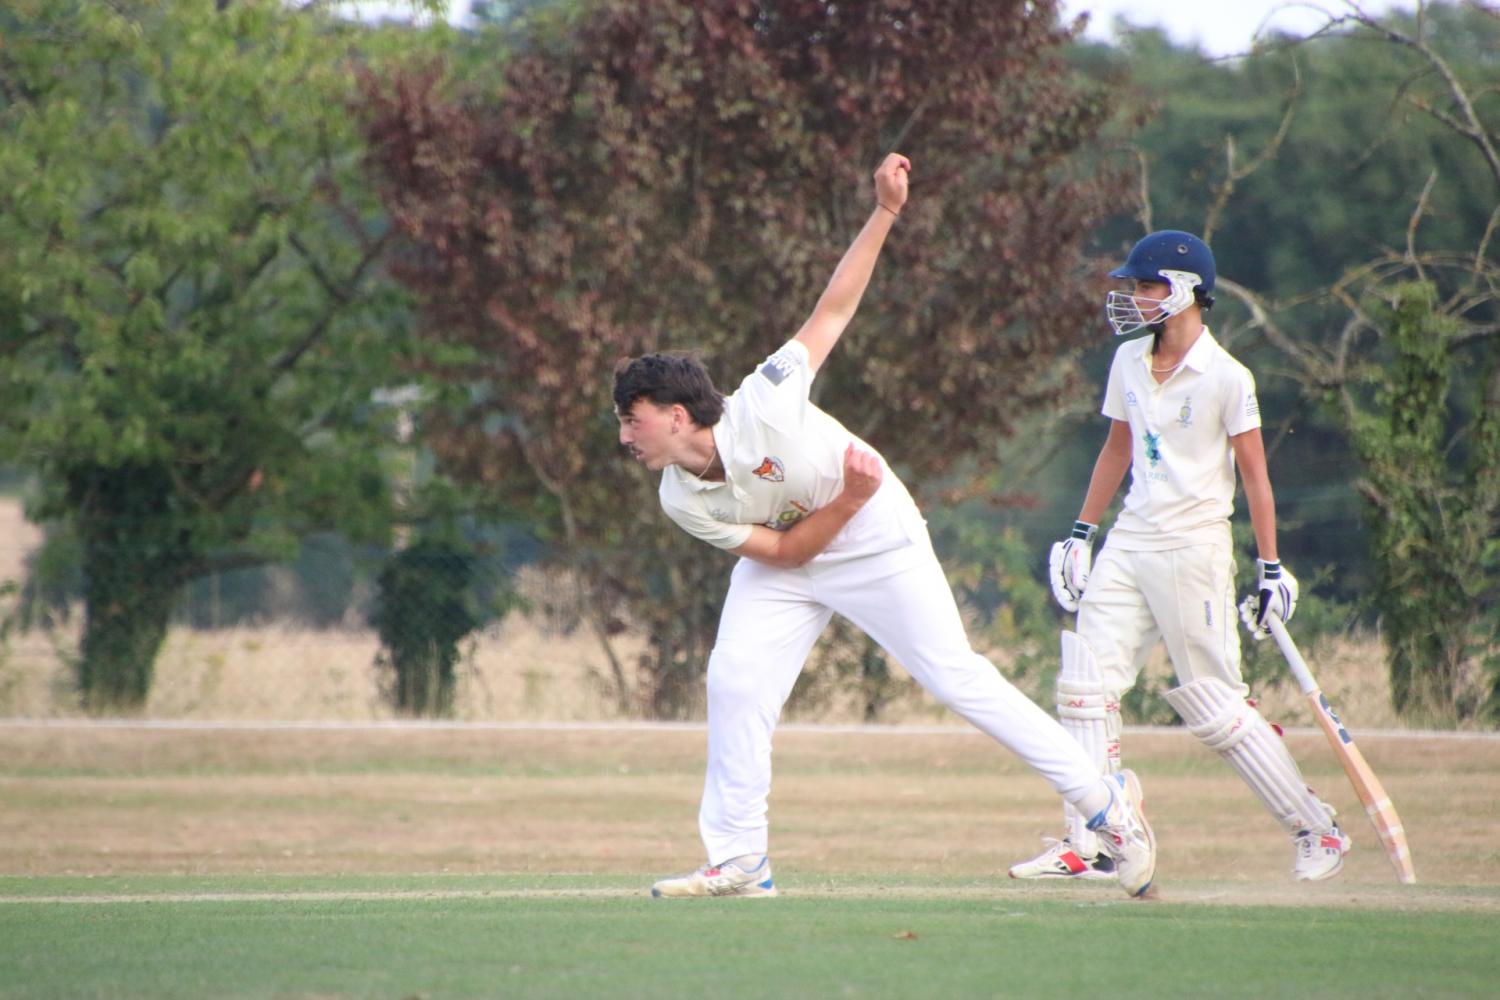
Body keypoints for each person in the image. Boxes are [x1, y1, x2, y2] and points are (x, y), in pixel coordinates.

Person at [613, 153, 1157, 900]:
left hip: (875, 536)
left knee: (955, 677)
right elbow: (784, 549)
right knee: (735, 681)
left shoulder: (763, 400)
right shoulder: (680, 495)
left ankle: (1105, 807)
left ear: (676, 416)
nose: (624, 436)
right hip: (800, 549)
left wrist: (886, 211)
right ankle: (741, 861)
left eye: (631, 420)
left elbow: (832, 310)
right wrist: (839, 502)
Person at [1007, 230, 1351, 885]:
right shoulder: (1130, 362)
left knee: (1214, 705)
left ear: (1188, 290)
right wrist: (1081, 532)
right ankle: (1097, 839)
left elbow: (1255, 475)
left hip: (1195, 550)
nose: (1135, 297)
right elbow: (1116, 449)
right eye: (1133, 286)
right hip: (1130, 541)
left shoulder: (1228, 377)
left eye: (1147, 285)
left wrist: (1271, 568)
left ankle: (1316, 828)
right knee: (1085, 686)